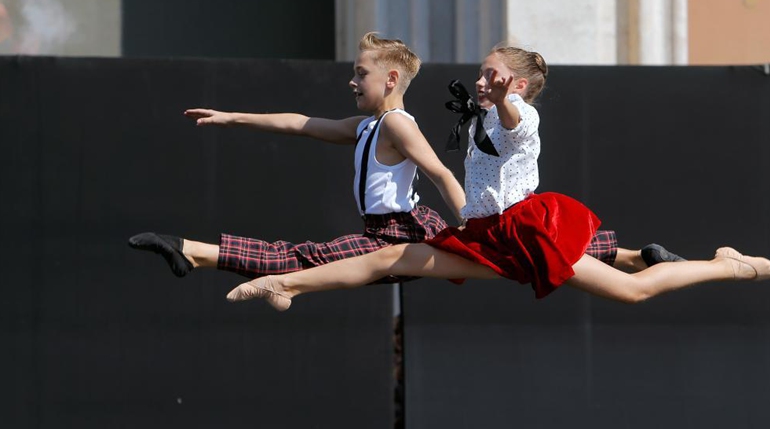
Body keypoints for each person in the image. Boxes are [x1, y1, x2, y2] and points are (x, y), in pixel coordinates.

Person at [225, 46, 770, 310]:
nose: (482, 79)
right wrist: (234, 117)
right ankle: (286, 283)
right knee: (390, 259)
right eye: (483, 71)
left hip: (527, 230)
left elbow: (513, 122)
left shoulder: (521, 114)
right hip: (485, 234)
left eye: (494, 74)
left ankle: (727, 267)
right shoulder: (483, 111)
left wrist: (503, 98)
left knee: (632, 293)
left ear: (518, 84)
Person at [129, 32, 677, 281]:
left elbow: (439, 171)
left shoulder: (395, 123)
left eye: (360, 74)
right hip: (394, 228)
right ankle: (630, 254)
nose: (351, 81)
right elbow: (301, 123)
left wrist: (477, 226)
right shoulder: (369, 124)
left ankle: (195, 252)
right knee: (537, 251)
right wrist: (232, 118)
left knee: (303, 258)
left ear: (390, 79)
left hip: (400, 230)